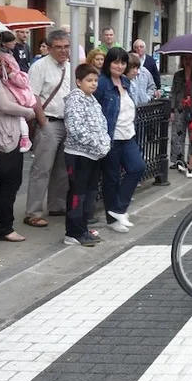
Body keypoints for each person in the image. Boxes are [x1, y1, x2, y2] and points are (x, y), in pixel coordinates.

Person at [0, 38, 38, 243]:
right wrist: (28, 112)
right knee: (10, 180)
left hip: (10, 132)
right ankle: (4, 227)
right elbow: (4, 105)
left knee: (3, 180)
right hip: (3, 134)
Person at [23, 29, 72, 229]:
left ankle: (57, 205)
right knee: (42, 169)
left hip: (67, 122)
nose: (63, 51)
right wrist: (42, 121)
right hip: (49, 122)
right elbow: (33, 96)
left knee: (62, 168)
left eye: (66, 46)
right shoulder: (39, 66)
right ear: (49, 48)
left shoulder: (70, 66)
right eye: (58, 47)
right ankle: (33, 212)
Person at [96, 47, 145, 234]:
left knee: (137, 167)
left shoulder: (125, 81)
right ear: (108, 63)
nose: (119, 66)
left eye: (123, 62)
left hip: (128, 135)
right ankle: (112, 219)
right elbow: (96, 109)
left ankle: (118, 209)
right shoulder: (102, 83)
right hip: (111, 137)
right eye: (115, 62)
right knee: (112, 179)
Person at [63, 64, 110, 247]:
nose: (93, 84)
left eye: (95, 80)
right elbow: (75, 129)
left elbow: (102, 124)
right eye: (89, 80)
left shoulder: (92, 99)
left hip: (93, 155)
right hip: (78, 155)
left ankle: (82, 228)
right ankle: (73, 232)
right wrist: (97, 144)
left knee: (89, 193)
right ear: (78, 82)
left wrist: (104, 143)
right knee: (77, 194)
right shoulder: (75, 100)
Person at [0, 47, 37, 153]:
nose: (0, 68)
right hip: (15, 102)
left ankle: (25, 138)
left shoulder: (18, 75)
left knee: (21, 119)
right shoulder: (1, 78)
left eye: (2, 66)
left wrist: (11, 74)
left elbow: (23, 83)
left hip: (22, 100)